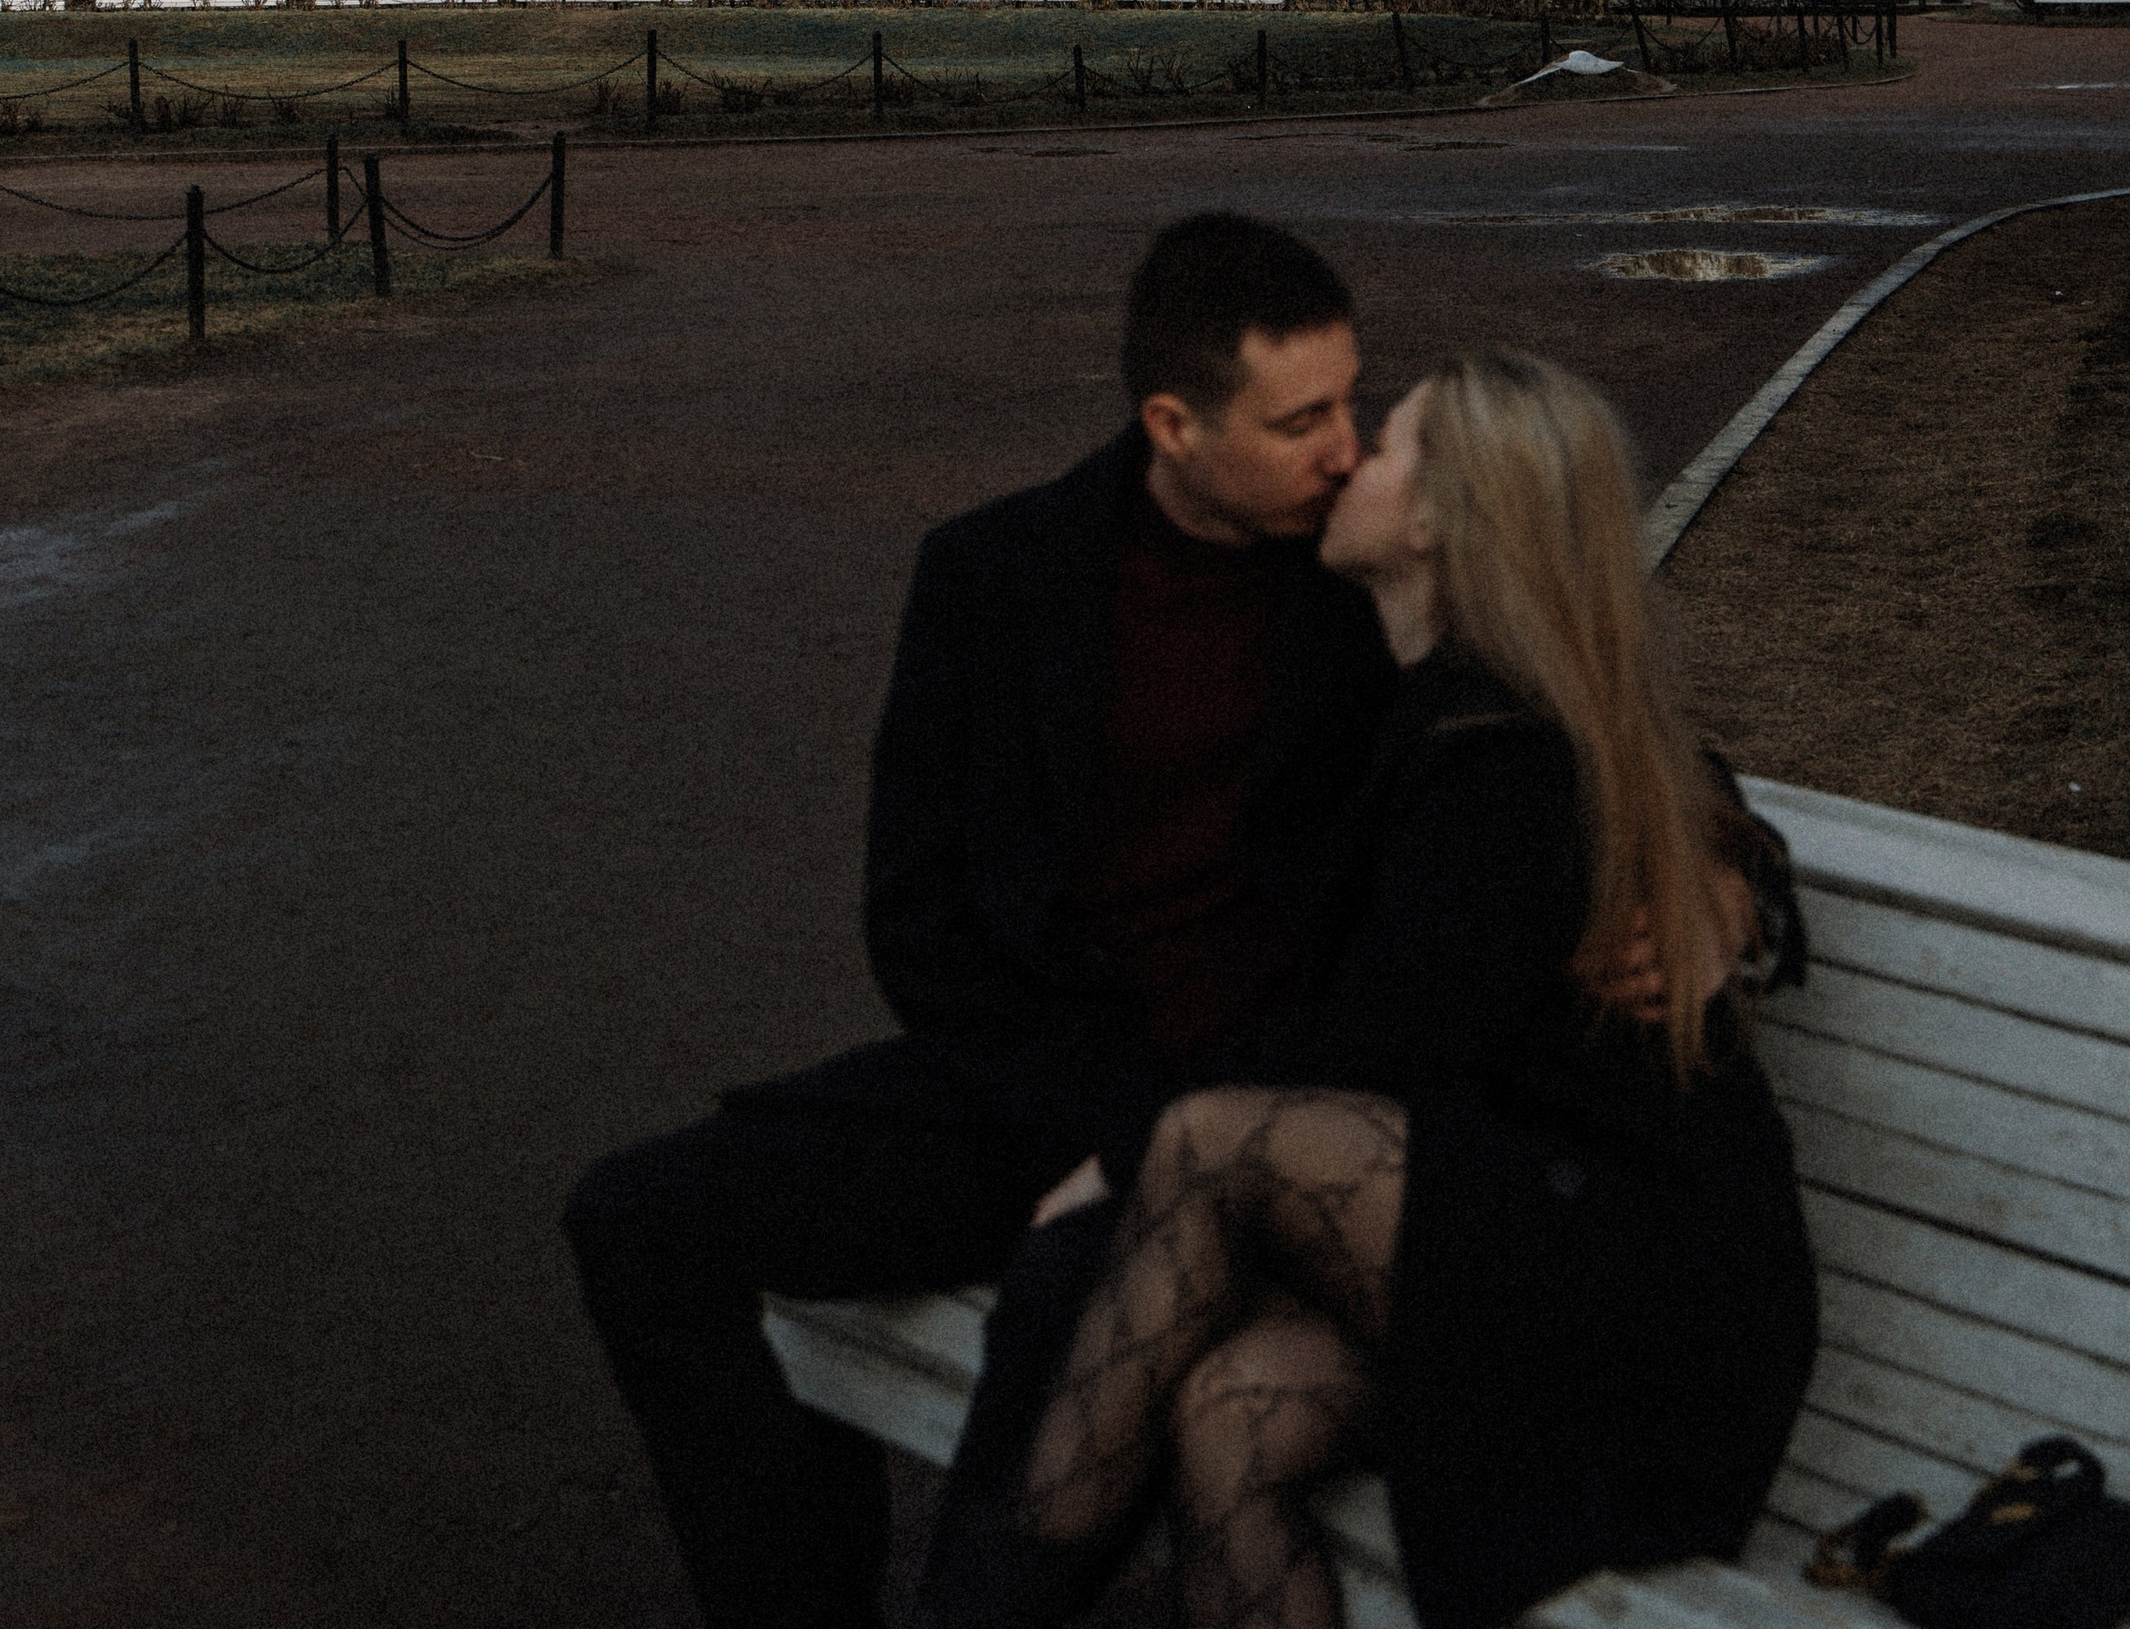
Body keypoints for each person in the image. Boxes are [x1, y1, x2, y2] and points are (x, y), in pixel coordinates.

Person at [561, 214, 1395, 1629]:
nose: (1346, 451)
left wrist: (1714, 832)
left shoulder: (1370, 577)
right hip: (1025, 1087)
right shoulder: (999, 576)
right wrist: (1082, 1116)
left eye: (1350, 404)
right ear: (1172, 424)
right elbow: (916, 916)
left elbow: (1567, 702)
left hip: (1254, 1128)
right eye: (1301, 419)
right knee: (637, 1222)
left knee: (1061, 1326)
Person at [1000, 352, 1819, 1629]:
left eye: (1382, 446)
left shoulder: (1509, 756)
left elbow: (1368, 1043)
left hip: (1648, 1289)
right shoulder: (1424, 682)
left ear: (1440, 519)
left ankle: (1000, 1595)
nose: (1346, 460)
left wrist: (1735, 890)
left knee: (1204, 1143)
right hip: (1519, 1218)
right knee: (1228, 1416)